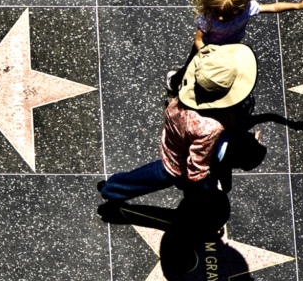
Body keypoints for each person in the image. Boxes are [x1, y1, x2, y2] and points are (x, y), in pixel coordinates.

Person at [101, 44, 258, 203]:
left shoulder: (188, 86)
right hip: (181, 166)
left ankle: (112, 187)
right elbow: (197, 168)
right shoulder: (211, 128)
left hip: (174, 141)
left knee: (147, 175)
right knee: (190, 191)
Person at [168, 0, 303, 91]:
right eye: (217, 12)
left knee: (219, 72)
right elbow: (199, 40)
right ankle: (175, 82)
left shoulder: (247, 9)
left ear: (240, 8)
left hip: (229, 47)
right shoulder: (209, 18)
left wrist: (297, 6)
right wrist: (207, 53)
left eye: (226, 15)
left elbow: (273, 7)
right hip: (208, 48)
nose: (220, 17)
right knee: (191, 65)